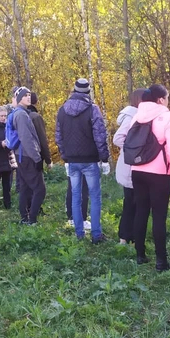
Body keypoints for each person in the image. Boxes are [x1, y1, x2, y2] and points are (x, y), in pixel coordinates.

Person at [128, 84, 170, 271]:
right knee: (159, 216)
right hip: (159, 173)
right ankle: (161, 262)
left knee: (141, 211)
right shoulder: (168, 117)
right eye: (167, 97)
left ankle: (140, 254)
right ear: (160, 99)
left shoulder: (136, 116)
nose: (168, 101)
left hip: (137, 169)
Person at [55, 78, 110, 243]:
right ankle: (96, 235)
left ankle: (79, 234)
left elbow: (59, 137)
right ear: (88, 92)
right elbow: (100, 136)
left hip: (72, 160)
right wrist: (104, 159)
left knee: (76, 196)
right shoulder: (93, 109)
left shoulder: (62, 110)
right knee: (94, 197)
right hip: (89, 160)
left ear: (74, 91)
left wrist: (65, 157)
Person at [113, 88, 146, 244]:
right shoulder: (132, 116)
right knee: (130, 203)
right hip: (130, 166)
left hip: (134, 165)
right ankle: (124, 237)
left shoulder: (138, 115)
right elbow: (118, 138)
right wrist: (135, 149)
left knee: (136, 203)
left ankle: (130, 235)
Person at [11, 87, 47, 224]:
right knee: (40, 189)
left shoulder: (21, 113)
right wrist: (37, 158)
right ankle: (32, 219)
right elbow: (26, 138)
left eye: (29, 95)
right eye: (24, 95)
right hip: (27, 156)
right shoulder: (21, 115)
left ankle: (24, 218)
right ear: (19, 98)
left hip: (22, 155)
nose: (28, 97)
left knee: (25, 187)